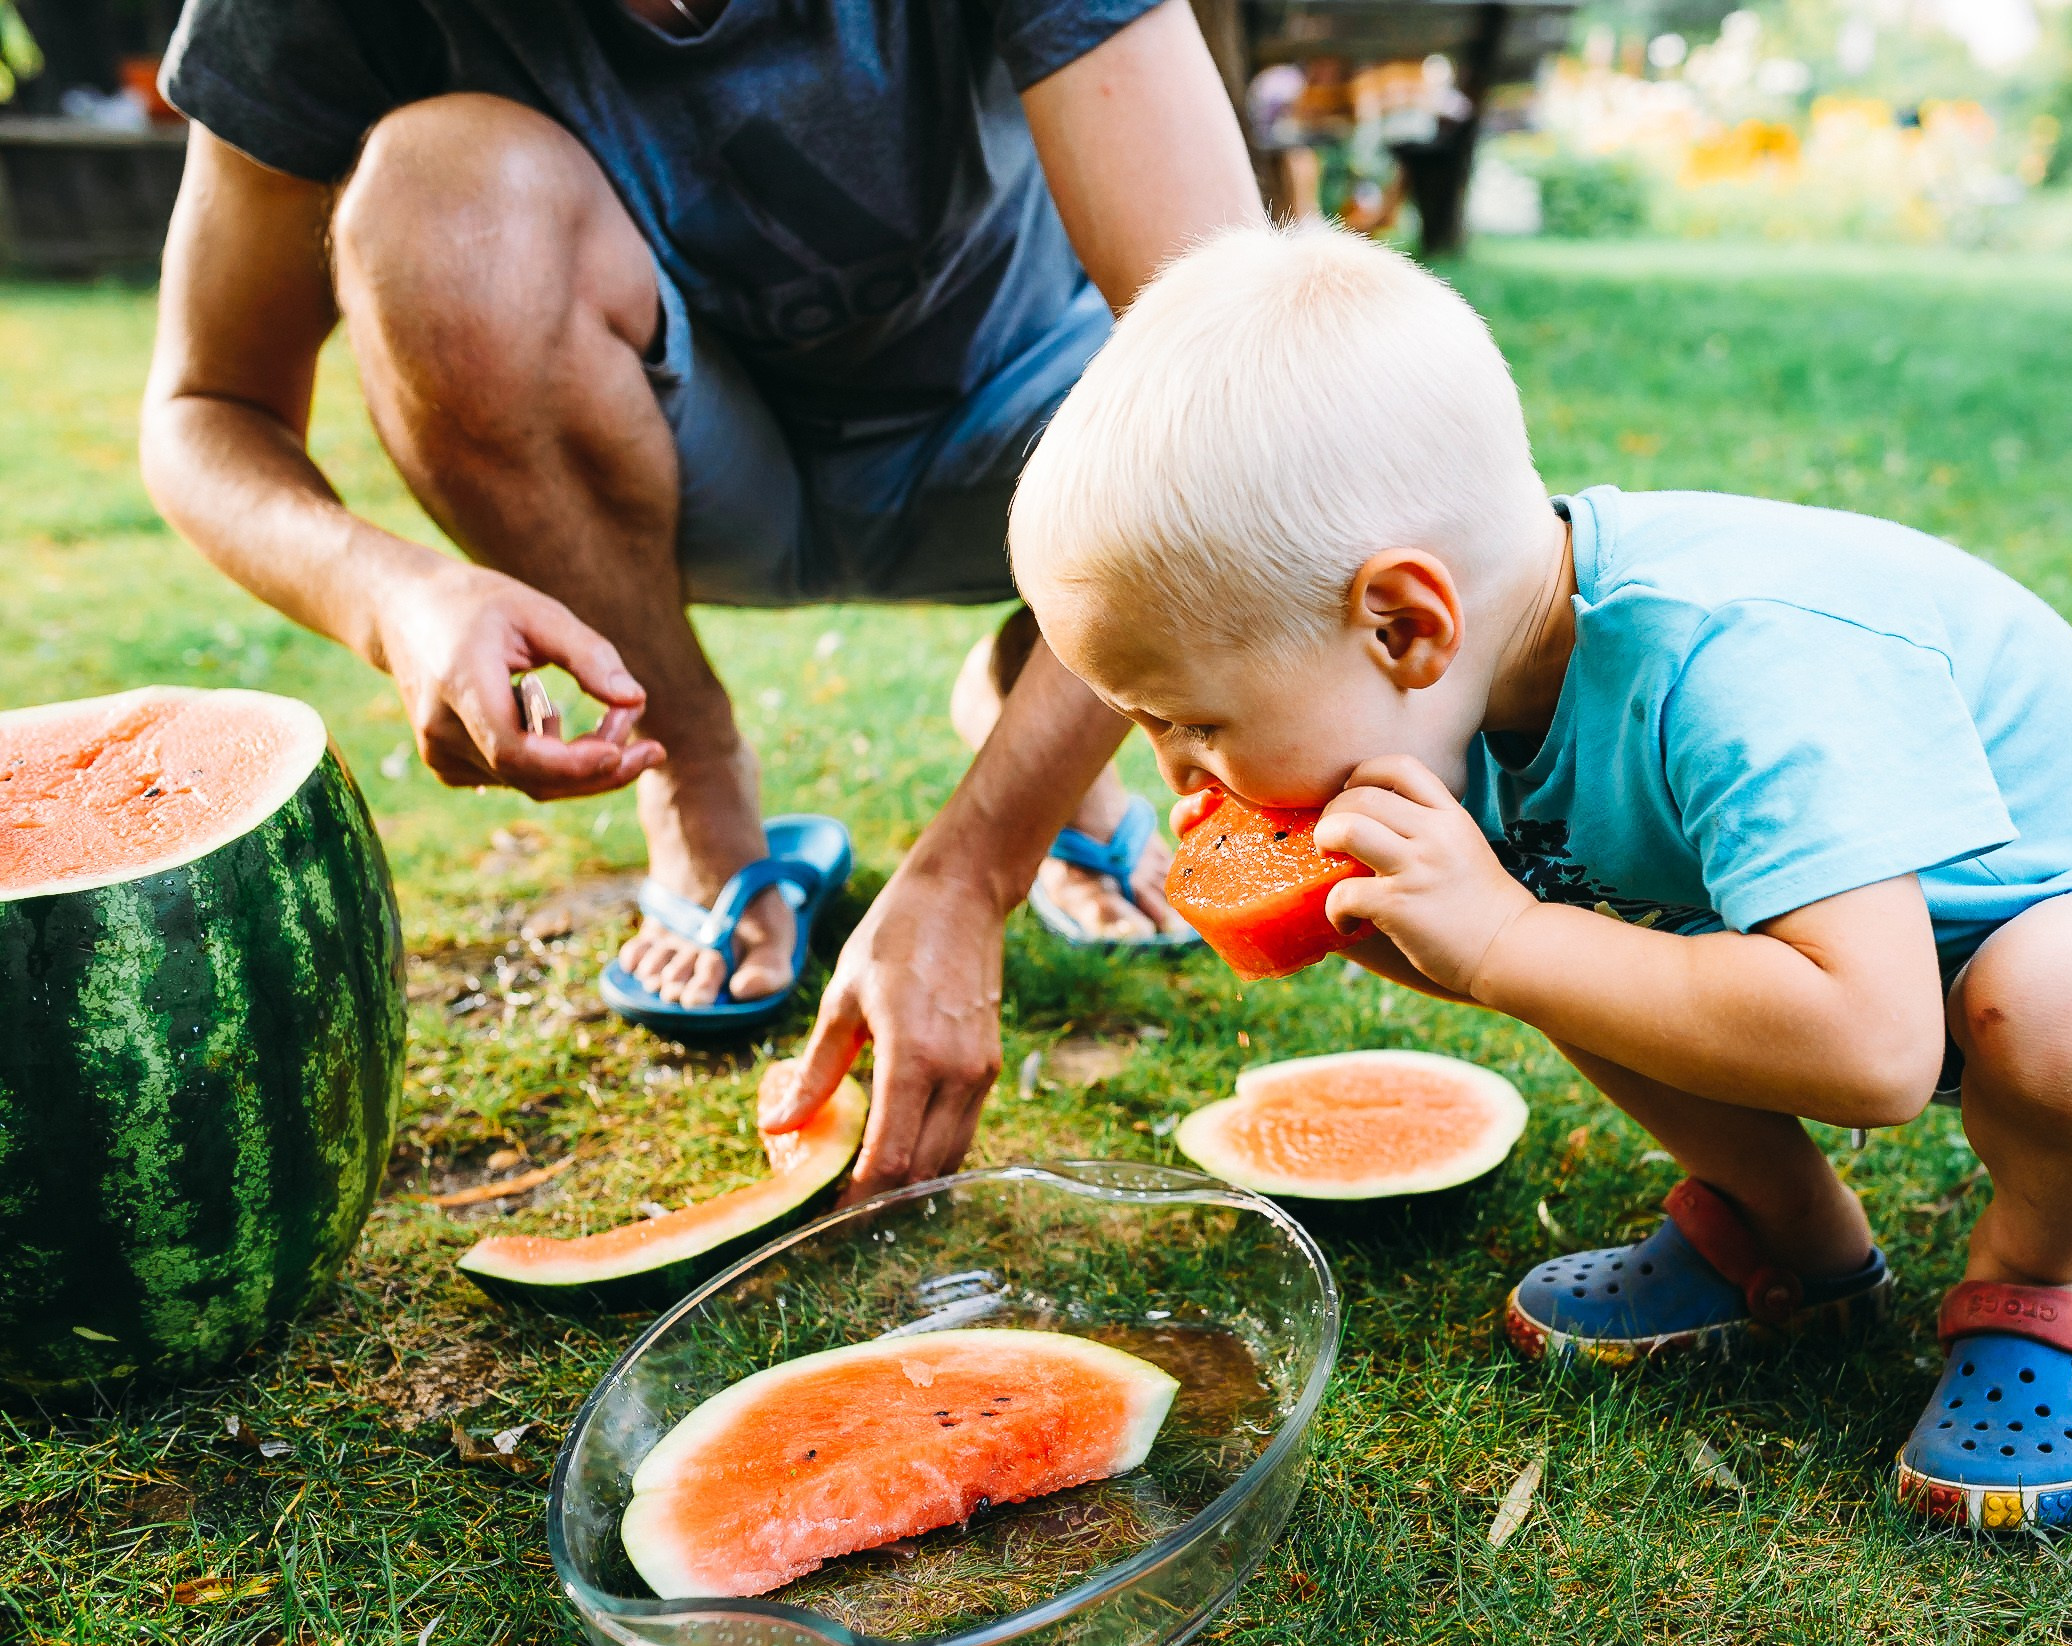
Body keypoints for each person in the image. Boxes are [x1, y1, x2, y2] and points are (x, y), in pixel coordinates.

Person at [991, 222, 2072, 1531]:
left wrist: (1498, 939)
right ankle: (1795, 1240)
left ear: (1402, 625)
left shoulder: (1735, 668)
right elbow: (1563, 956)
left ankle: (2039, 1279)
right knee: (1555, 931)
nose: (1177, 765)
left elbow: (1880, 1050)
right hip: (1836, 945)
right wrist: (1432, 936)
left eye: (1195, 719)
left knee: (2065, 1011)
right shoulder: (1454, 694)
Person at [138, 0, 1258, 1182]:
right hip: (689, 469)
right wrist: (390, 595)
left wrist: (976, 868)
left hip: (1041, 451)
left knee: (1217, 388)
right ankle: (700, 793)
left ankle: (1047, 707)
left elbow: (1244, 377)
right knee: (433, 197)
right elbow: (207, 407)